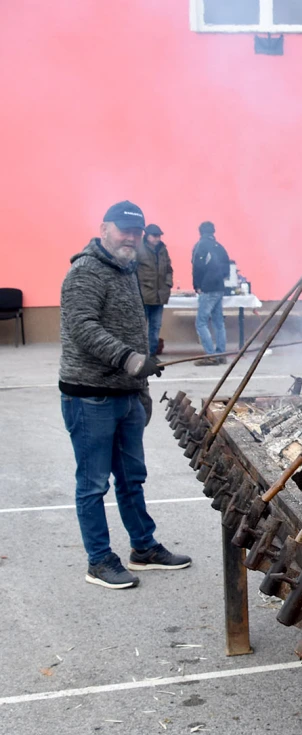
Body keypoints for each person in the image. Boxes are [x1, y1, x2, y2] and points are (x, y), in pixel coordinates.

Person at [59, 201, 192, 589]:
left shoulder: (128, 269)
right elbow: (82, 327)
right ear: (104, 228)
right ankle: (99, 560)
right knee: (93, 484)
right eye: (123, 230)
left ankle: (144, 548)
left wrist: (141, 385)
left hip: (126, 394)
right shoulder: (85, 271)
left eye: (136, 231)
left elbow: (133, 331)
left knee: (131, 478)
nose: (131, 237)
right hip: (90, 396)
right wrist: (129, 359)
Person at [191, 221, 230, 365]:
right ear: (213, 231)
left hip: (207, 288)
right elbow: (227, 266)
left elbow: (197, 267)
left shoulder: (201, 246)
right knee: (218, 322)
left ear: (200, 232)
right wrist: (220, 278)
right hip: (220, 287)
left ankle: (211, 355)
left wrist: (197, 285)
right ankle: (221, 354)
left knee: (201, 323)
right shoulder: (219, 247)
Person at [136, 223, 172, 356]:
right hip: (143, 295)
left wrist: (168, 284)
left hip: (160, 295)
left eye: (159, 236)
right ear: (147, 235)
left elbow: (169, 269)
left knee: (156, 326)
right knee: (140, 326)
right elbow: (132, 270)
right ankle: (140, 353)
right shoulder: (138, 249)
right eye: (155, 236)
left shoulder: (163, 250)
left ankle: (151, 354)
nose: (158, 238)